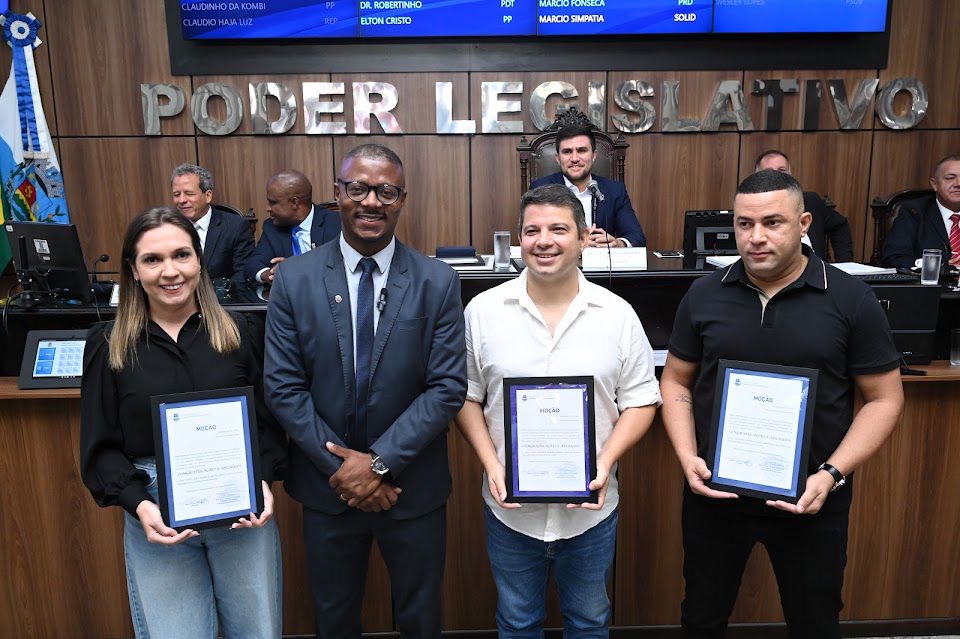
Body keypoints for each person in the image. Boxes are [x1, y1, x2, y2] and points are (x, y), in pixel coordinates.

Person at [659, 169, 904, 639]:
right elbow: (675, 381)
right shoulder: (705, 293)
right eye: (744, 224)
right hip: (716, 494)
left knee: (814, 622)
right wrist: (687, 456)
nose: (756, 237)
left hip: (811, 497)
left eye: (772, 222)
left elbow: (884, 399)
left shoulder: (850, 298)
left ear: (804, 223)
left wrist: (831, 475)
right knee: (702, 617)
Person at [263, 144, 467, 639]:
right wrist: (344, 471)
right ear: (338, 194)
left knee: (421, 620)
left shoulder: (437, 281)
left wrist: (376, 465)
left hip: (411, 487)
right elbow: (283, 386)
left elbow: (446, 387)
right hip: (327, 488)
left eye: (386, 191)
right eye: (358, 188)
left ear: (402, 199)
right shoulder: (294, 279)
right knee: (333, 619)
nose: (371, 201)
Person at [454, 184, 660, 637]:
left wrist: (605, 461)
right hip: (510, 511)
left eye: (558, 229)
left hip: (591, 512)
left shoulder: (617, 314)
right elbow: (466, 397)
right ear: (520, 239)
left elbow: (641, 399)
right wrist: (491, 465)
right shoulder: (482, 312)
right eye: (532, 231)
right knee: (516, 622)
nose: (543, 241)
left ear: (584, 238)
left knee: (589, 622)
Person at [80, 207, 286, 638]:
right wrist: (140, 504)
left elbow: (267, 425)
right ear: (133, 270)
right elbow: (100, 448)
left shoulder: (240, 331)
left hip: (240, 507)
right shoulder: (109, 344)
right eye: (152, 260)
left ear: (199, 260)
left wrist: (264, 480)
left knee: (258, 631)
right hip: (156, 513)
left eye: (181, 255)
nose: (170, 271)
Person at [530, 123, 646, 248]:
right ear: (558, 159)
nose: (575, 158)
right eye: (567, 152)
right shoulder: (540, 190)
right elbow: (532, 236)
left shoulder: (615, 190)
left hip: (601, 259)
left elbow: (636, 237)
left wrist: (618, 244)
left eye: (582, 150)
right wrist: (575, 245)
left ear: (593, 156)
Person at [755, 149, 854, 262]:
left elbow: (839, 225)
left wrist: (844, 263)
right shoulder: (749, 207)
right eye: (769, 172)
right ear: (757, 178)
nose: (777, 176)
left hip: (815, 270)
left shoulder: (810, 201)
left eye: (782, 170)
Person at [245, 169, 342, 284]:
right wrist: (268, 274)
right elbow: (253, 264)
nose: (268, 209)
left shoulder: (336, 223)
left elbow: (343, 267)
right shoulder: (272, 227)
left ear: (294, 203)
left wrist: (296, 268)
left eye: (273, 203)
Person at [171, 163, 254, 284]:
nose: (181, 200)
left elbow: (243, 274)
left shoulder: (235, 227)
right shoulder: (167, 228)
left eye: (189, 193)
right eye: (176, 194)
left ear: (208, 196)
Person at [881, 154, 960, 268]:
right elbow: (894, 258)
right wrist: (935, 265)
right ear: (934, 184)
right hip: (931, 279)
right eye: (950, 178)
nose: (958, 184)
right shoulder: (914, 212)